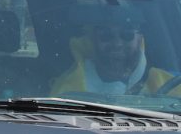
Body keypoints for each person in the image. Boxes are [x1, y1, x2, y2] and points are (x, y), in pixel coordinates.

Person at [51, 6, 181, 96]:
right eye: (106, 36)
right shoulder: (67, 89)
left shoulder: (169, 84)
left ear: (139, 39)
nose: (117, 44)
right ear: (93, 40)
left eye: (127, 35)